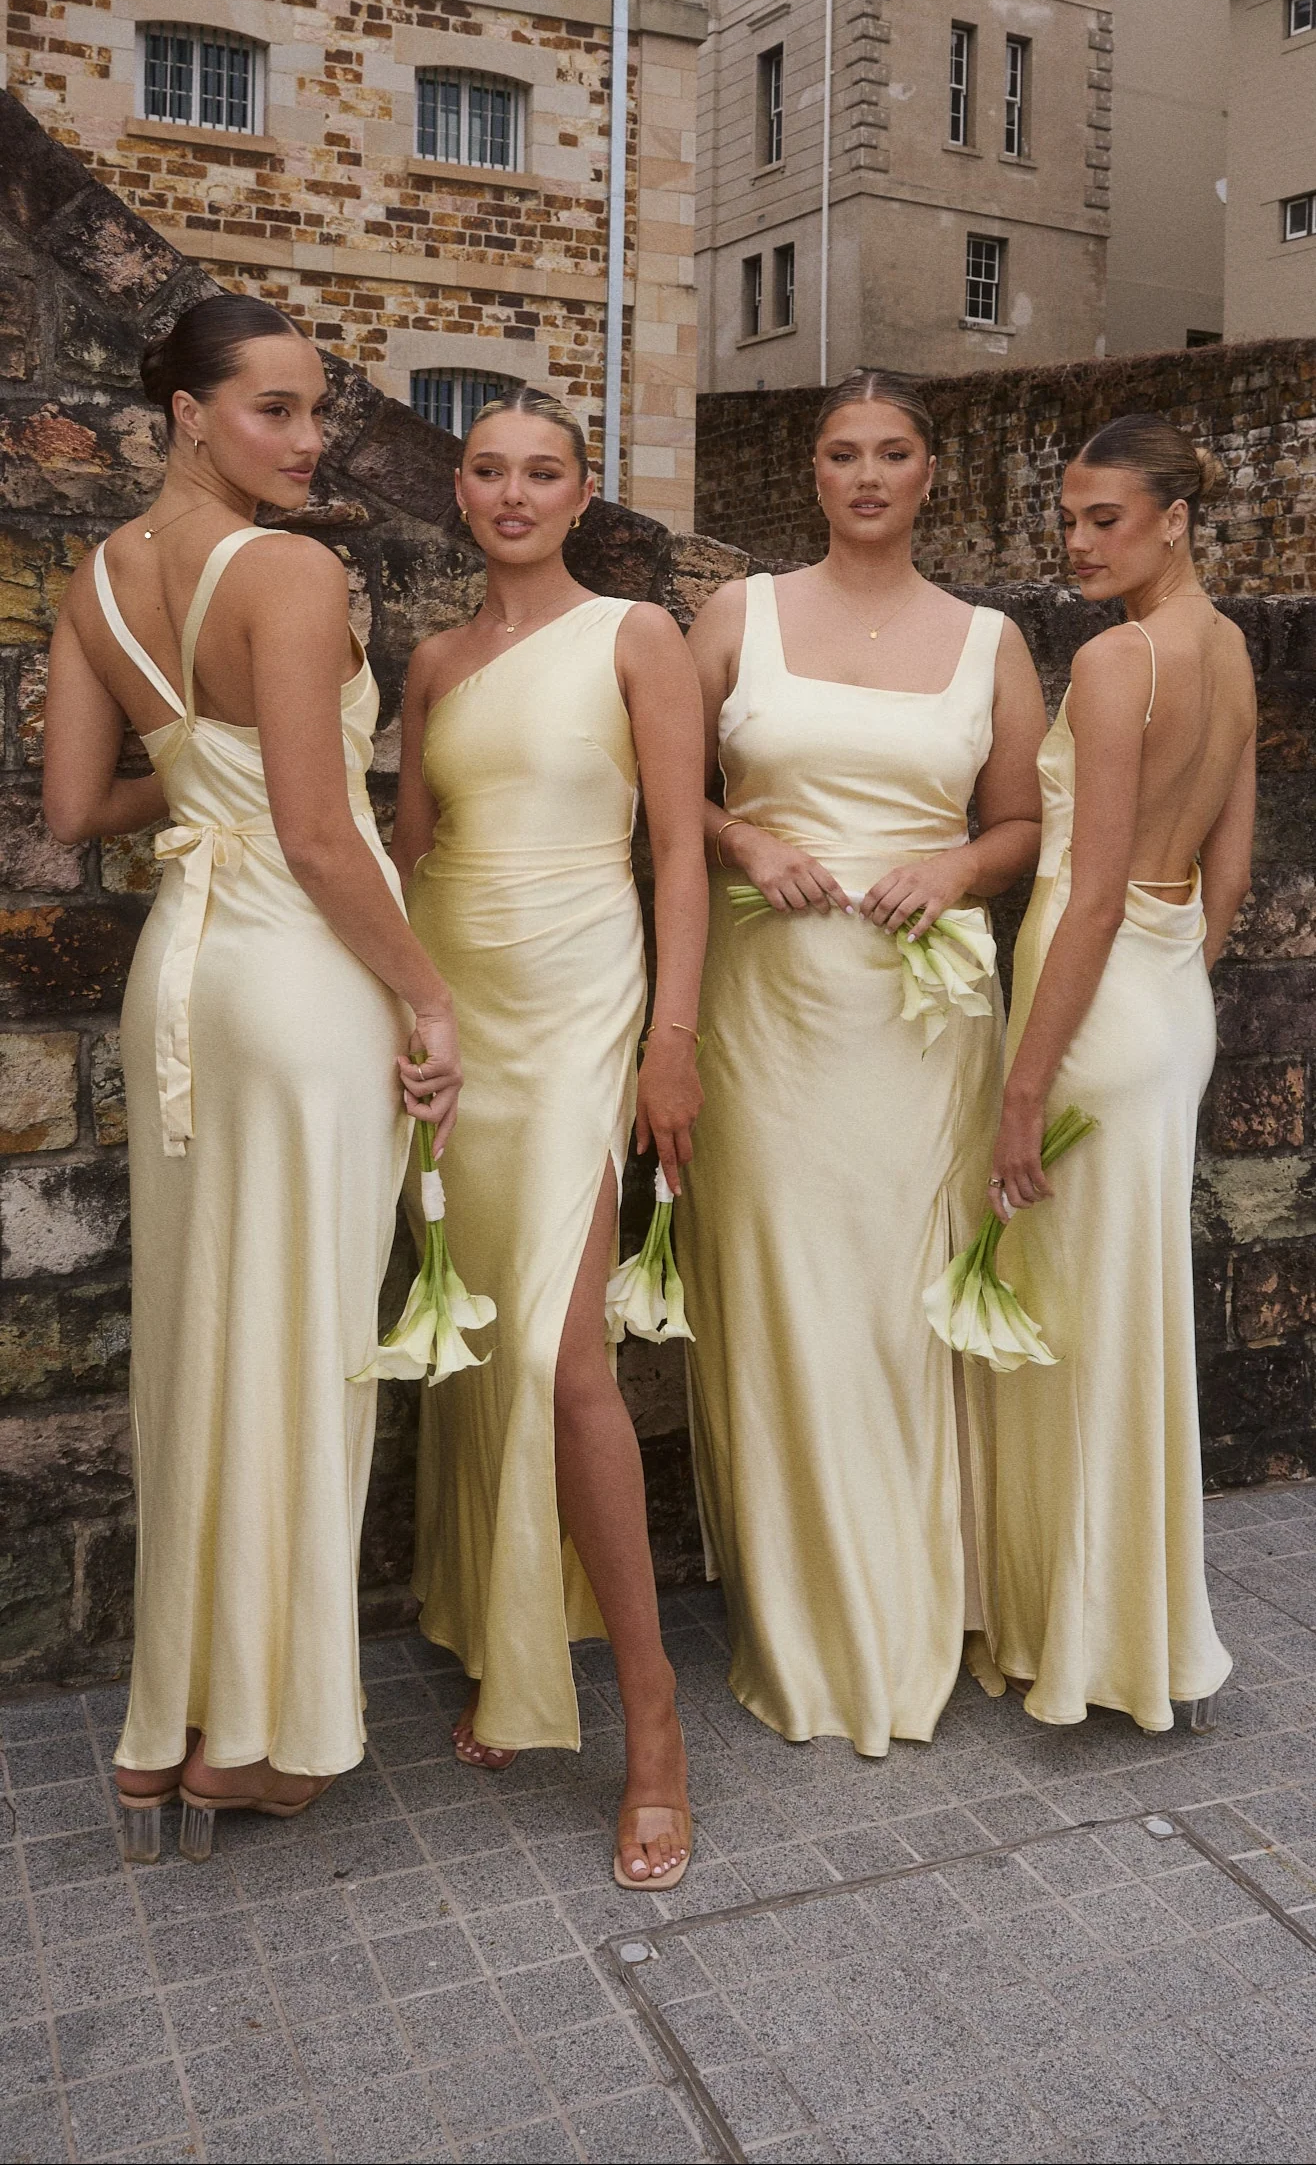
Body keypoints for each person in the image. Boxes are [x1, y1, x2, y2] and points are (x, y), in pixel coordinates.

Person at [42, 296, 461, 1862]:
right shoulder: (288, 572)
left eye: (319, 412)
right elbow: (320, 833)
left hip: (185, 976)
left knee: (204, 1336)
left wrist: (197, 770)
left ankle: (183, 1727)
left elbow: (76, 805)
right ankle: (266, 1740)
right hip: (295, 975)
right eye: (274, 409)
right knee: (299, 1345)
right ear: (187, 411)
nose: (309, 440)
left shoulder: (95, 579)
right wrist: (429, 998)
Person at [682, 368, 1047, 1756]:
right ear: (814, 473)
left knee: (901, 1306)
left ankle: (911, 1606)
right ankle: (803, 1626)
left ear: (931, 472)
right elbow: (655, 784)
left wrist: (954, 870)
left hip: (922, 1026)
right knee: (789, 1294)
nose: (869, 476)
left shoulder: (992, 641)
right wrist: (743, 836)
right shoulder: (740, 614)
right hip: (767, 1012)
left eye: (894, 453)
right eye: (844, 453)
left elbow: (1020, 825)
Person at [390, 386, 707, 1887]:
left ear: (585, 494)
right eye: (487, 469)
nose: (512, 493)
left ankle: (652, 1722)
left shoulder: (637, 636)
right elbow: (409, 855)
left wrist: (672, 1042)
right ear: (459, 490)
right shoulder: (432, 663)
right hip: (459, 1008)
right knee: (475, 1347)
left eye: (542, 472)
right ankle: (511, 1638)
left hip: (584, 1000)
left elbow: (681, 853)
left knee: (565, 1358)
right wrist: (404, 1021)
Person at [988, 414, 1252, 1734]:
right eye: (1070, 519)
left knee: (1078, 1332)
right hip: (1165, 1006)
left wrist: (1025, 1089)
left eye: (1107, 519)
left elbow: (1088, 896)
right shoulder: (1232, 648)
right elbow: (1229, 876)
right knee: (1126, 1321)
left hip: (1088, 1014)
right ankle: (1121, 1627)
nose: (1080, 543)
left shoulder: (1114, 661)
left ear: (1175, 518)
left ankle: (1088, 1642)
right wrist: (1167, 994)